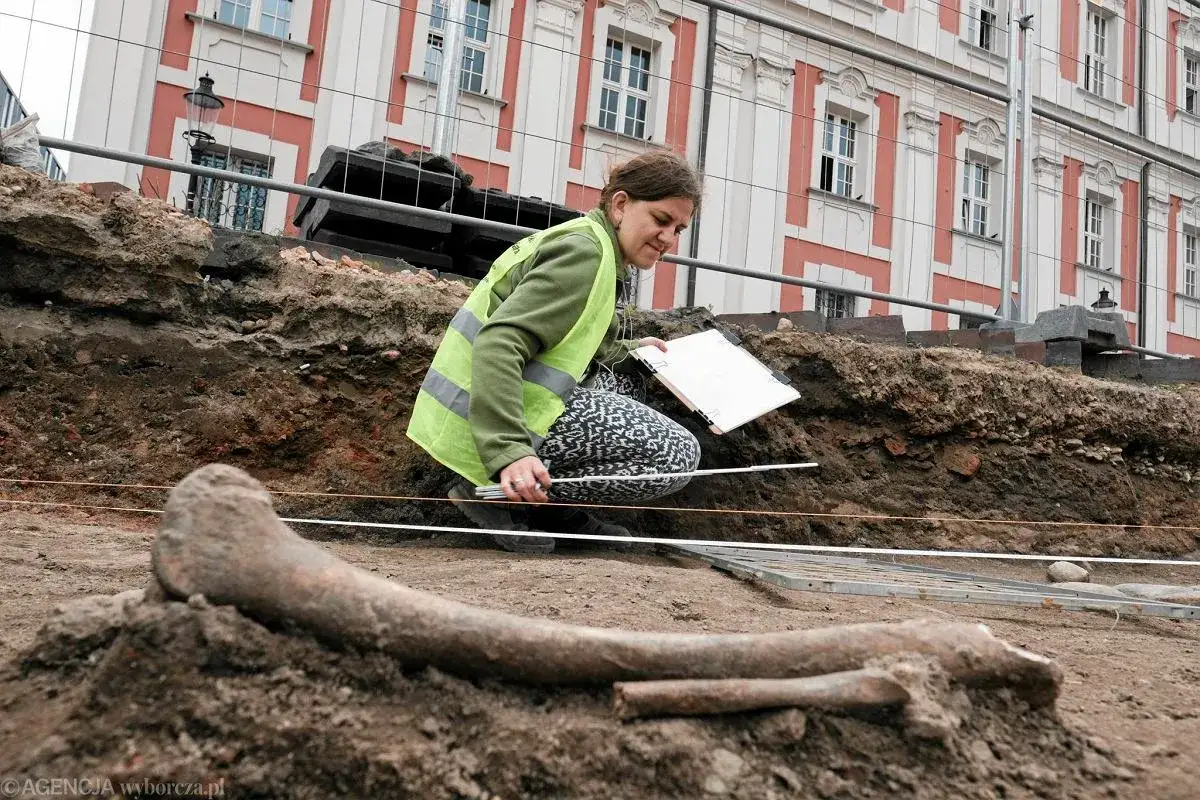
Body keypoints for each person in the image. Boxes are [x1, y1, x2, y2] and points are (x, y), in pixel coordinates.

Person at [407, 148, 704, 554]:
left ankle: (548, 505)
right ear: (620, 205)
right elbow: (499, 343)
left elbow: (569, 334)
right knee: (678, 453)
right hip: (476, 418)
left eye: (679, 229)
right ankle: (496, 488)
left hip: (478, 404)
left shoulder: (595, 245)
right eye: (661, 220)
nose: (669, 239)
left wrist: (633, 349)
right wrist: (508, 452)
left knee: (629, 382)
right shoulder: (584, 254)